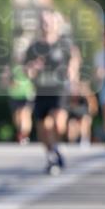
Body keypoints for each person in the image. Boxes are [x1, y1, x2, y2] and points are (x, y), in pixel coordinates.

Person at [25, 10, 75, 174]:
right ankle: (52, 155)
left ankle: (55, 147)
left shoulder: (63, 43)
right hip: (41, 90)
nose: (46, 25)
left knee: (57, 124)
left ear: (55, 24)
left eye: (49, 22)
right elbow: (27, 70)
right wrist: (32, 68)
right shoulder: (34, 47)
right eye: (43, 22)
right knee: (42, 128)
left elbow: (74, 58)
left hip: (59, 89)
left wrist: (72, 71)